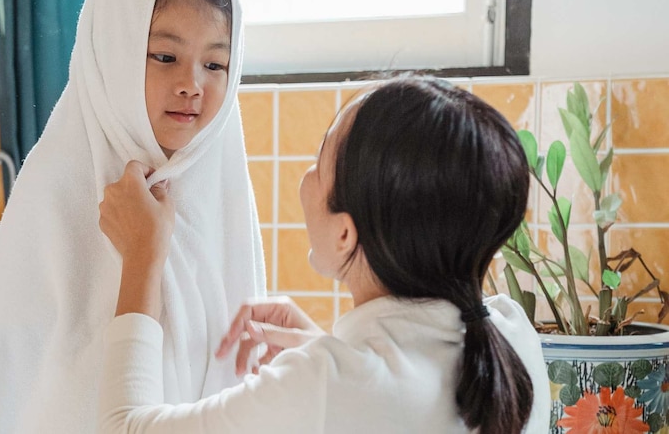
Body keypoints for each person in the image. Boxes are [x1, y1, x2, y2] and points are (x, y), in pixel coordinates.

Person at [0, 0, 265, 433]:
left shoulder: (221, 188)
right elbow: (11, 383)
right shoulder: (57, 189)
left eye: (215, 64)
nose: (192, 84)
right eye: (165, 56)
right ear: (112, 51)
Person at [97, 76, 552, 433]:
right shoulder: (514, 337)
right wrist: (328, 350)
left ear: (344, 235)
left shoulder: (326, 386)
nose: (306, 177)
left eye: (320, 161)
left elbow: (122, 429)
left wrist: (143, 254)